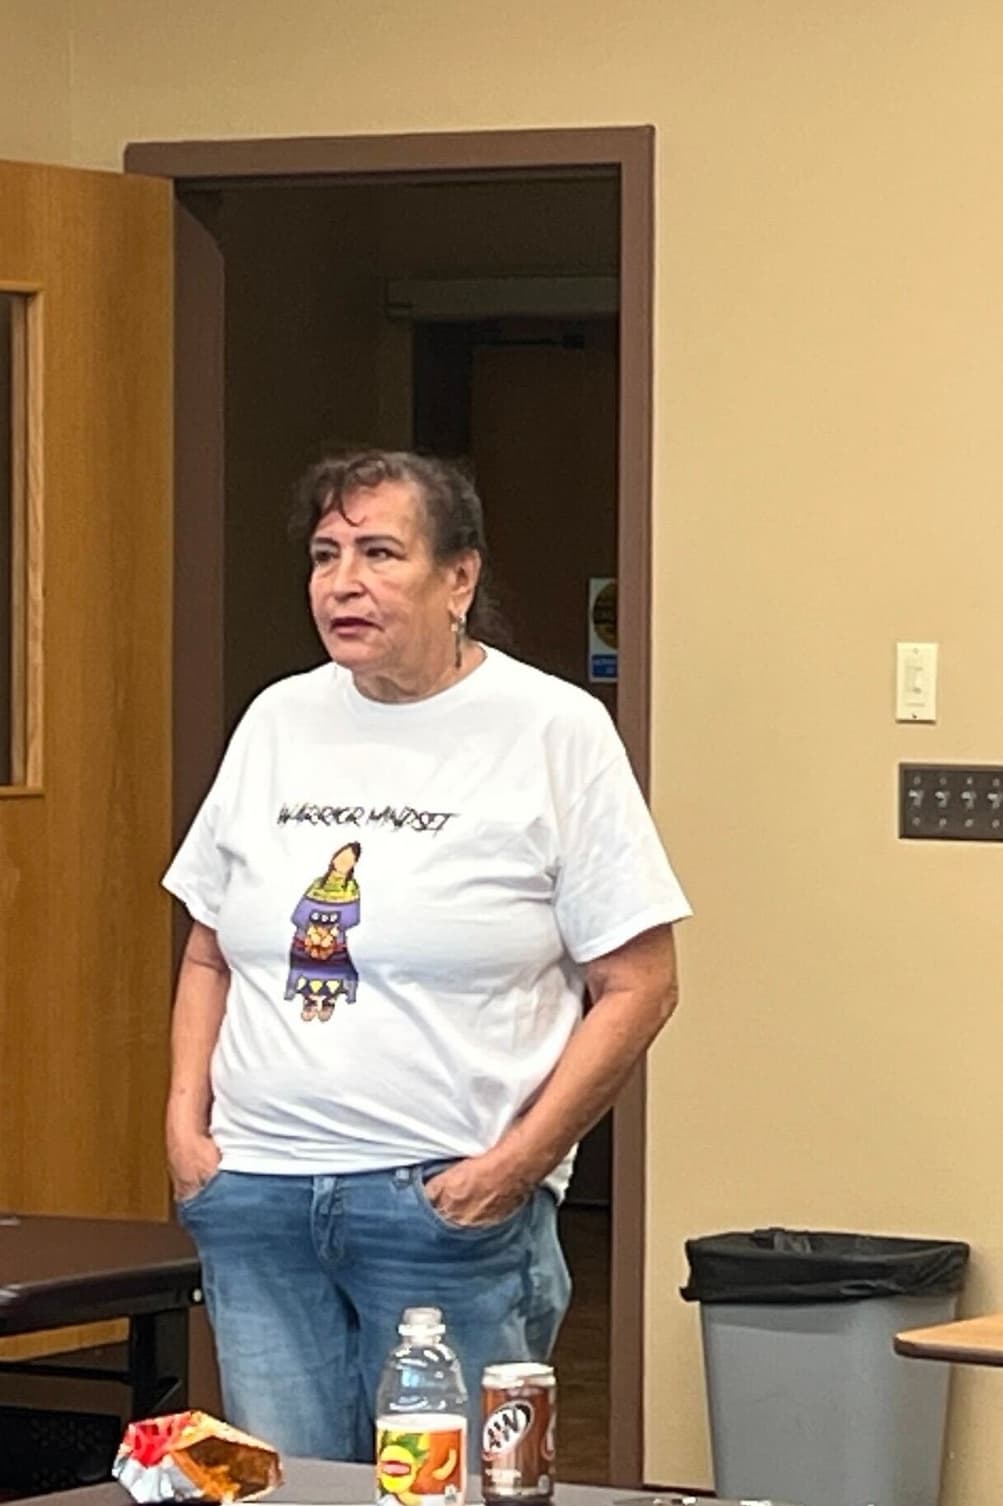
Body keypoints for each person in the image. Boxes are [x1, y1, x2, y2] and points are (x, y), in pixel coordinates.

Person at [161, 449, 690, 1461]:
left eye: (377, 553)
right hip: (262, 1199)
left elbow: (640, 984)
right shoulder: (279, 719)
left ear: (460, 578)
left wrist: (515, 1167)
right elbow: (209, 954)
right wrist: (189, 1135)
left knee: (449, 1490)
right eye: (324, 555)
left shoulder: (553, 731)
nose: (342, 582)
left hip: (444, 1207)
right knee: (294, 1490)